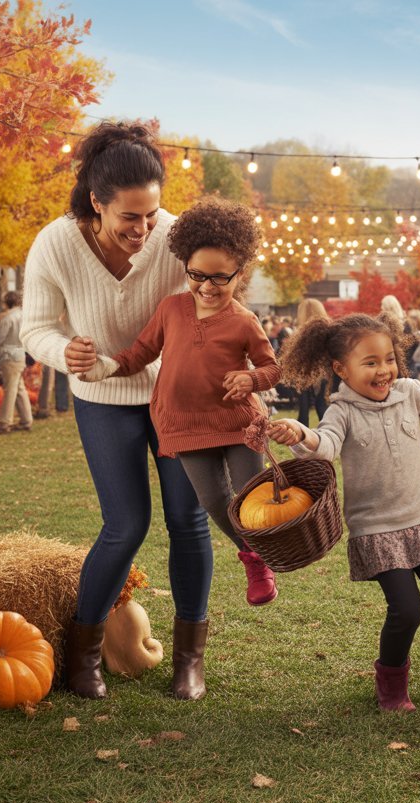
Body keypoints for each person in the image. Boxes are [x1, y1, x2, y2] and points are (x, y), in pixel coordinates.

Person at [21, 121, 215, 701]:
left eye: (151, 214)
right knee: (126, 524)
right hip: (103, 397)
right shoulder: (55, 243)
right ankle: (83, 656)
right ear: (96, 203)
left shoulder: (174, 236)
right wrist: (66, 351)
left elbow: (211, 306)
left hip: (174, 397)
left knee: (188, 520)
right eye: (130, 217)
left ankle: (188, 661)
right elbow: (36, 328)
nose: (144, 228)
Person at [266, 313, 420, 735]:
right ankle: (391, 680)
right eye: (370, 363)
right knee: (406, 609)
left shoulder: (407, 392)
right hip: (378, 528)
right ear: (341, 369)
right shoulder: (340, 411)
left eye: (387, 359)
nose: (383, 371)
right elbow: (323, 447)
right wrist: (299, 433)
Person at [76, 195, 282, 608]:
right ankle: (253, 554)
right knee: (212, 501)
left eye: (220, 278)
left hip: (237, 422)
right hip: (183, 424)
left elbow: (272, 368)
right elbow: (140, 354)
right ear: (185, 266)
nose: (206, 286)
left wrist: (251, 378)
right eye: (196, 275)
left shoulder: (244, 320)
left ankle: (259, 554)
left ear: (239, 274)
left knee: (250, 495)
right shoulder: (171, 309)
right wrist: (106, 366)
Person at [0, 290, 33, 434]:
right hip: (20, 354)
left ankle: (4, 423)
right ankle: (27, 420)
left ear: (7, 302)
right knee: (19, 388)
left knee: (10, 389)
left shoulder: (8, 318)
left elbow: (0, 338)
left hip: (8, 356)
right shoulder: (24, 316)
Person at [293, 298, 330, 427]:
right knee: (322, 405)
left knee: (304, 407)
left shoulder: (301, 334)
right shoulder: (328, 330)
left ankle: (303, 437)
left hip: (305, 371)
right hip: (325, 371)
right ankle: (330, 435)